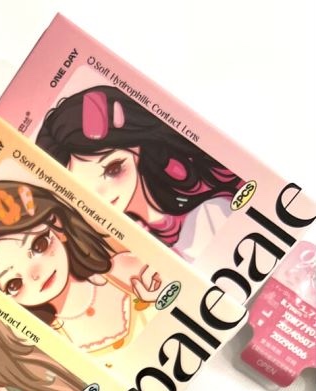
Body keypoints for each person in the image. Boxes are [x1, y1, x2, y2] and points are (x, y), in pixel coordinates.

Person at [0, 180, 162, 352]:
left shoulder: (125, 271)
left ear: (57, 225)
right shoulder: (45, 342)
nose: (36, 274)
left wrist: (158, 297)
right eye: (14, 284)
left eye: (39, 245)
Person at [36, 85, 241, 260]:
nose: (102, 195)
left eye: (113, 169)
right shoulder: (117, 246)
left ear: (136, 148)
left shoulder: (206, 201)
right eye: (82, 191)